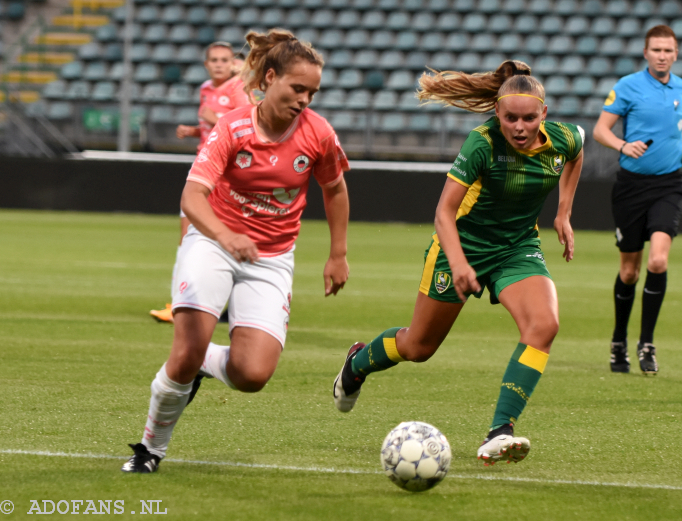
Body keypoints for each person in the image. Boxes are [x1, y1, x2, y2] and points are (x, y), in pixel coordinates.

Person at [332, 60, 584, 465]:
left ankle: (500, 431)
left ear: (545, 115)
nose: (519, 128)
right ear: (496, 113)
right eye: (510, 118)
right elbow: (443, 214)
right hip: (460, 246)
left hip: (517, 249)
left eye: (529, 118)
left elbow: (577, 154)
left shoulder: (563, 138)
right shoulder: (481, 144)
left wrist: (563, 213)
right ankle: (357, 363)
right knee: (418, 346)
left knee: (544, 325)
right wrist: (460, 262)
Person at [124, 28, 351, 473]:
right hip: (212, 242)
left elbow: (336, 189)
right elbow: (192, 198)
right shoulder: (234, 127)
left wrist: (337, 253)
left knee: (253, 375)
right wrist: (225, 236)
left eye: (312, 92)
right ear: (269, 78)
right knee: (184, 351)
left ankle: (201, 361)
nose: (305, 99)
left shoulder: (319, 134)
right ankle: (151, 449)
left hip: (271, 256)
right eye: (297, 88)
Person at [592, 25, 682, 375]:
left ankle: (646, 343)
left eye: (668, 50)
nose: (662, 56)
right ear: (646, 53)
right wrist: (623, 145)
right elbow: (600, 130)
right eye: (656, 50)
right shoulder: (627, 86)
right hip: (631, 187)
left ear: (676, 53)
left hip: (669, 184)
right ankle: (618, 341)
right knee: (629, 271)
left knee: (658, 261)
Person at [150, 41, 250, 323]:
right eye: (214, 60)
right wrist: (195, 130)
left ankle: (184, 305)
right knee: (192, 236)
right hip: (205, 163)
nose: (219, 64)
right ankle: (192, 303)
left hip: (225, 172)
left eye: (225, 59)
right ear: (206, 64)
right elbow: (212, 130)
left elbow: (245, 126)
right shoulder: (206, 88)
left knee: (203, 237)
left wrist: (215, 117)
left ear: (233, 63)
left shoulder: (238, 88)